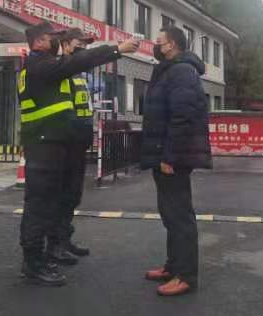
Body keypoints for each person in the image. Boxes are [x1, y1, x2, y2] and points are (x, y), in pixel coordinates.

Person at [18, 21, 138, 286]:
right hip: (43, 144)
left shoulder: (45, 65)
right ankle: (33, 263)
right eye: (53, 37)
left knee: (48, 203)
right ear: (39, 41)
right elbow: (76, 62)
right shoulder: (39, 65)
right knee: (39, 205)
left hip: (52, 142)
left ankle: (43, 256)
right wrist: (117, 49)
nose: (57, 42)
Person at [140, 25, 212, 297]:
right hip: (164, 153)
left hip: (173, 157)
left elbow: (182, 117)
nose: (155, 45)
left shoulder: (182, 72)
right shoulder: (169, 70)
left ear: (171, 45)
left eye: (159, 41)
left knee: (180, 216)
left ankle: (186, 276)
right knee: (169, 213)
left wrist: (170, 156)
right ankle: (173, 266)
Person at [52, 28, 96, 260]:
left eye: (86, 45)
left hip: (79, 143)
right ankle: (55, 245)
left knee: (73, 195)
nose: (84, 48)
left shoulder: (78, 73)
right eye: (80, 44)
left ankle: (64, 239)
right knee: (61, 195)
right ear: (67, 44)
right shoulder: (60, 69)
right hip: (66, 144)